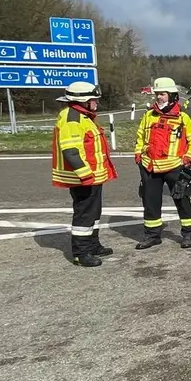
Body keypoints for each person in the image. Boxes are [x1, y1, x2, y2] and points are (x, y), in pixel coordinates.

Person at [50, 81, 118, 267]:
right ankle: (81, 253)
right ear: (82, 100)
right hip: (83, 178)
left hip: (93, 176)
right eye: (93, 99)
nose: (96, 102)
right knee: (84, 215)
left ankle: (93, 245)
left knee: (94, 212)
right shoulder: (72, 119)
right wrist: (86, 175)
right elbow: (71, 152)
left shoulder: (84, 116)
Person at [134, 77, 191, 249]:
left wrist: (189, 158)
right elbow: (140, 137)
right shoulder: (149, 116)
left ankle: (188, 234)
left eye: (162, 94)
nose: (159, 97)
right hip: (150, 167)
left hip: (175, 167)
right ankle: (152, 235)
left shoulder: (184, 117)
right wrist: (138, 155)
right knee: (150, 202)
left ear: (172, 96)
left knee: (182, 199)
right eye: (157, 94)